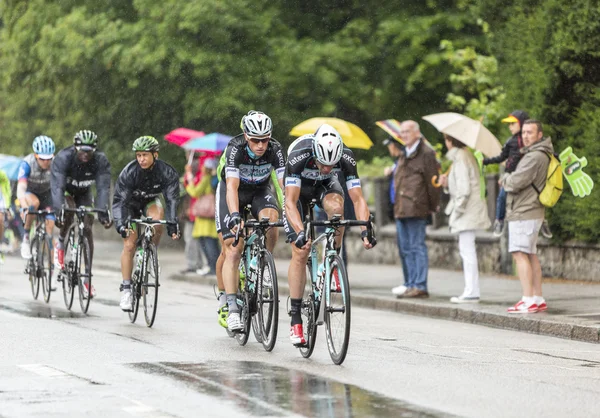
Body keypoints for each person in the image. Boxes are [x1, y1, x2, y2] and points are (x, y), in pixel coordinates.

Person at [283, 124, 376, 345]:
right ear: (315, 152)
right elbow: (289, 203)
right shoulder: (298, 156)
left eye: (331, 164)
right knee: (300, 250)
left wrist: (365, 229)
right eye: (323, 163)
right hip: (299, 192)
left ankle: (332, 256)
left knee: (337, 210)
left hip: (325, 187)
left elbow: (358, 199)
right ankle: (295, 319)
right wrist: (299, 233)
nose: (326, 167)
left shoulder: (346, 157)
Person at [215, 110, 285, 331]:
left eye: (265, 139)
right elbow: (232, 187)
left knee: (272, 222)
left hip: (259, 190)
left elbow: (283, 186)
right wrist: (235, 216)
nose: (261, 145)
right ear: (246, 136)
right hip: (232, 190)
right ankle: (231, 306)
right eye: (255, 140)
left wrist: (291, 213)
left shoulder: (275, 150)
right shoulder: (234, 148)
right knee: (232, 249)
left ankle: (264, 263)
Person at [112, 136, 180, 312]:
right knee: (129, 244)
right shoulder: (129, 172)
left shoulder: (166, 172)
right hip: (130, 206)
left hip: (150, 202)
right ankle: (126, 289)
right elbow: (120, 201)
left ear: (155, 155)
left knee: (158, 217)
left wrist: (173, 224)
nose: (141, 159)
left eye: (145, 155)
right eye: (138, 155)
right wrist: (121, 224)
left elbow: (172, 200)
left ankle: (150, 250)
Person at [51, 130, 112, 297]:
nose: (85, 154)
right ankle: (61, 243)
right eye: (82, 150)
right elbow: (57, 188)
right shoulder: (64, 158)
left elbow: (102, 188)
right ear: (75, 148)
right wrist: (58, 212)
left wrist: (103, 213)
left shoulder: (100, 161)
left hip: (84, 193)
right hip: (66, 192)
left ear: (94, 150)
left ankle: (87, 279)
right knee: (68, 210)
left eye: (89, 151)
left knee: (87, 228)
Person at [500, 120, 551, 313]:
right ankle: (537, 298)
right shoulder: (541, 154)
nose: (526, 136)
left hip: (524, 211)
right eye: (524, 133)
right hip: (532, 210)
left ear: (540, 135)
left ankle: (528, 299)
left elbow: (516, 181)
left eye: (530, 132)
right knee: (530, 254)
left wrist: (505, 179)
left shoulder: (534, 157)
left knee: (519, 254)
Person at [484, 110, 552, 239]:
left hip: (527, 174)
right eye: (509, 125)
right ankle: (499, 220)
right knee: (502, 197)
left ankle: (542, 221)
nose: (510, 127)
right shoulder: (510, 142)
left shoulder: (534, 144)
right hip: (511, 176)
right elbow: (501, 157)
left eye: (513, 124)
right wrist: (486, 161)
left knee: (537, 197)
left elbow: (546, 152)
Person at [439, 134, 491, 303]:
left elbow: (464, 190)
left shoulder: (461, 156)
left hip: (467, 211)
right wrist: (447, 184)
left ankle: (471, 291)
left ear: (450, 141)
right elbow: (460, 184)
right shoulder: (464, 155)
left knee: (467, 251)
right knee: (467, 250)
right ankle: (471, 290)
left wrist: (457, 210)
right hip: (470, 209)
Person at [392, 120, 440, 298]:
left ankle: (420, 285)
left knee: (416, 246)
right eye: (402, 132)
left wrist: (432, 206)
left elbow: (433, 183)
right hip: (401, 207)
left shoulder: (426, 153)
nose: (404, 135)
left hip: (417, 207)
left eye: (407, 132)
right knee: (405, 248)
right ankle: (410, 283)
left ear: (417, 133)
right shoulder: (404, 153)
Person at [17, 135, 56, 259]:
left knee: (50, 226)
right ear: (35, 155)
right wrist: (24, 206)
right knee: (35, 203)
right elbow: (21, 188)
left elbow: (61, 186)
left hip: (47, 195)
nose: (46, 162)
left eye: (49, 158)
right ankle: (26, 238)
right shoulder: (27, 163)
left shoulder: (55, 164)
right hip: (30, 194)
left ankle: (49, 269)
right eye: (42, 159)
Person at [383, 136, 411, 296]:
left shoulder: (404, 161)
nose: (389, 149)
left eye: (390, 145)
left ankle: (412, 282)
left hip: (404, 209)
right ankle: (408, 282)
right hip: (397, 209)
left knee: (409, 247)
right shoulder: (398, 162)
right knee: (403, 248)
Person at [185, 158, 219, 276]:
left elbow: (195, 192)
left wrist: (189, 180)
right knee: (211, 242)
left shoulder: (206, 179)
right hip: (209, 216)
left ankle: (213, 267)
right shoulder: (214, 179)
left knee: (208, 243)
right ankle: (213, 267)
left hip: (205, 216)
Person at [181, 154, 209, 275]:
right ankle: (194, 264)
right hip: (192, 211)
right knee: (191, 239)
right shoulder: (193, 172)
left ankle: (199, 264)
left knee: (197, 240)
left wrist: (190, 175)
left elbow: (194, 191)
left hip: (199, 211)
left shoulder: (200, 172)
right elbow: (185, 188)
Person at [0, 169, 11, 257]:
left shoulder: (2, 174)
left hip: (0, 202)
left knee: (0, 220)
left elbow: (7, 190)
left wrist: (7, 206)